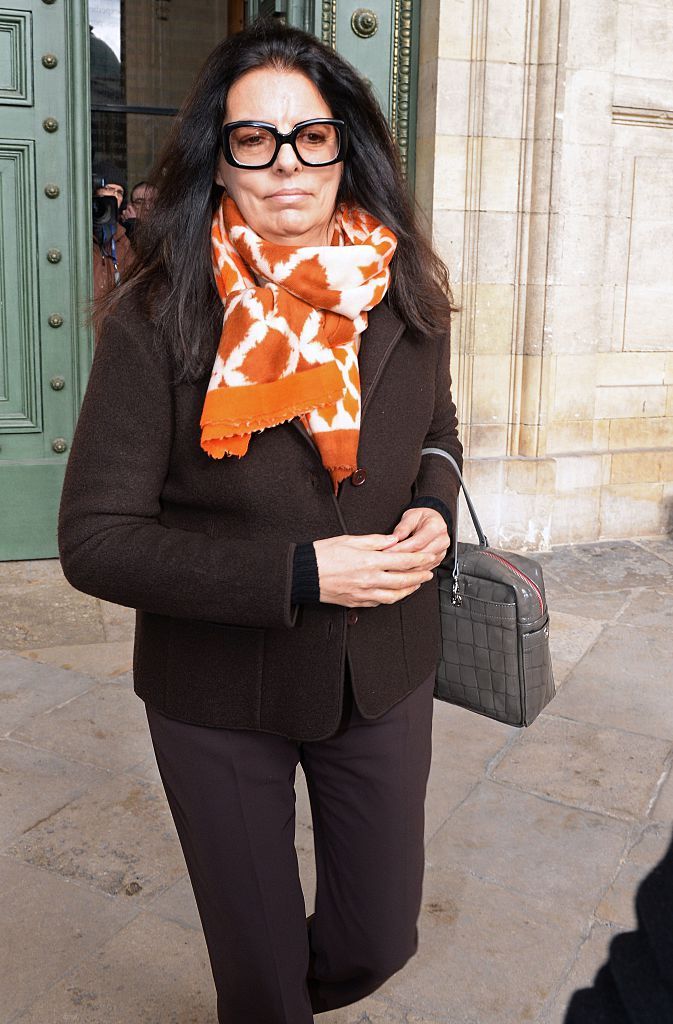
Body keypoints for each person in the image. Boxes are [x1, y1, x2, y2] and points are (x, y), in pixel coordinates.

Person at [59, 19, 463, 1023]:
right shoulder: (158, 313)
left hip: (383, 666)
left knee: (379, 940)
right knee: (260, 978)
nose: (286, 163)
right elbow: (95, 538)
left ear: (345, 146)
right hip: (217, 690)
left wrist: (434, 502)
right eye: (254, 139)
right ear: (220, 160)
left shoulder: (404, 288)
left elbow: (437, 428)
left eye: (309, 135)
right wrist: (298, 573)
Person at [91, 161, 133, 301]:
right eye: (108, 189)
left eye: (119, 192)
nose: (115, 196)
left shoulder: (122, 240)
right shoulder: (79, 233)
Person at [120, 180, 158, 245]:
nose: (147, 207)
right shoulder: (121, 232)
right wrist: (131, 224)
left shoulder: (170, 229)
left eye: (152, 201)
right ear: (130, 207)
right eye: (139, 202)